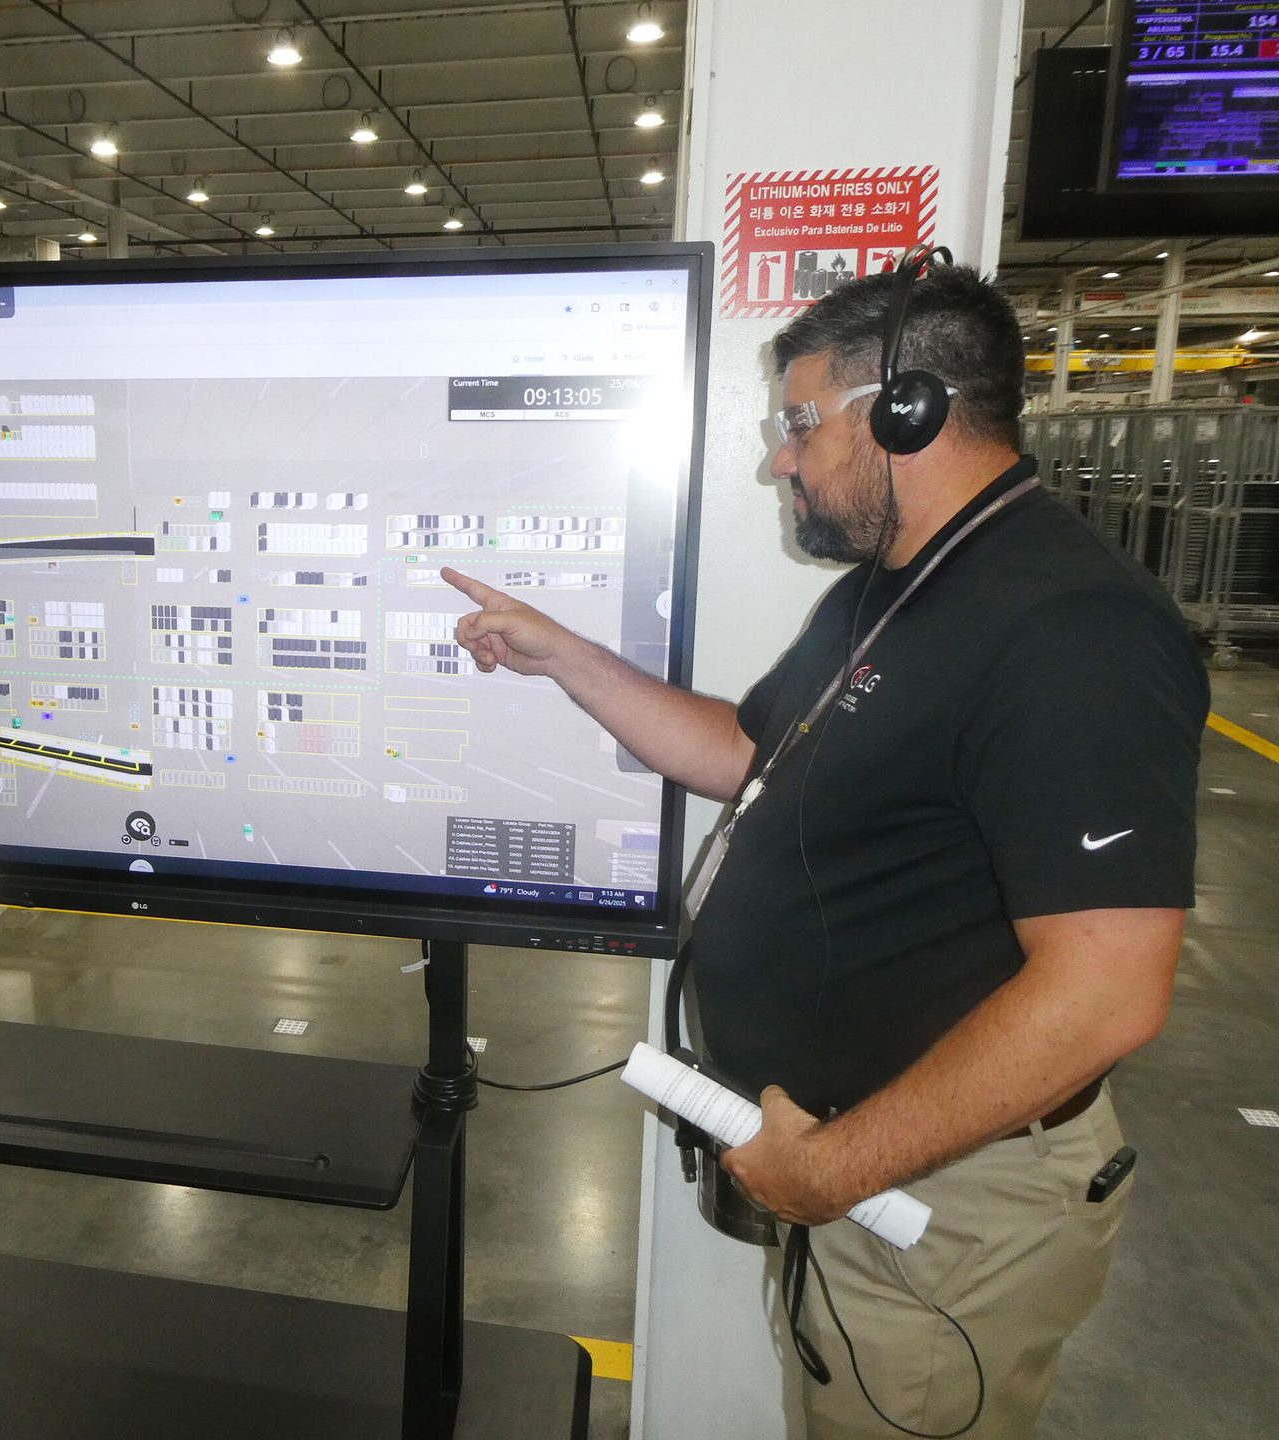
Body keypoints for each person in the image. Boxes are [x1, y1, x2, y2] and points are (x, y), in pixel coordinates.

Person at [443, 261, 1208, 1439]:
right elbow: (746, 753)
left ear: (908, 409)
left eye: (798, 425)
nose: (778, 462)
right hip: (875, 1163)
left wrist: (840, 1165)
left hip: (945, 1195)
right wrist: (568, 659)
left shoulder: (1071, 629)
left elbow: (1106, 992)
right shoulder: (900, 585)